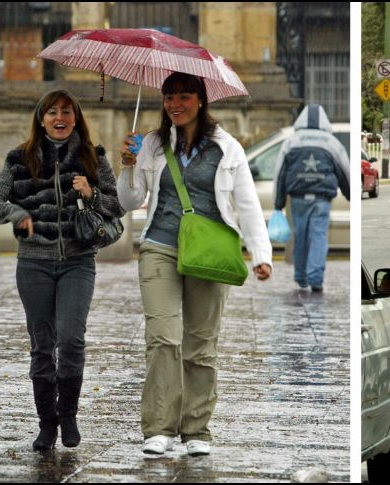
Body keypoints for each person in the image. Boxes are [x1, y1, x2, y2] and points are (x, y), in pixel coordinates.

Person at [117, 72, 273, 457]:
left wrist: (261, 254)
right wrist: (127, 165)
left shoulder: (226, 147)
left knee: (201, 346)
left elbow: (247, 202)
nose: (175, 104)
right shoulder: (152, 144)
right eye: (169, 97)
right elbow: (128, 200)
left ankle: (197, 430)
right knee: (163, 338)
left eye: (184, 97)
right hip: (160, 247)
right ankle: (159, 427)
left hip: (208, 251)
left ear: (201, 100)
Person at [0, 89, 124, 451]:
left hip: (78, 261)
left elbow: (117, 206)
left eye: (66, 112)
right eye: (52, 112)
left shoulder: (94, 158)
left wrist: (91, 192)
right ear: (41, 118)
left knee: (72, 339)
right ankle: (47, 424)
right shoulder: (20, 159)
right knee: (42, 346)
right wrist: (17, 213)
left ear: (76, 118)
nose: (59, 118)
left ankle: (69, 415)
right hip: (33, 264)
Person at [273, 104, 350, 292]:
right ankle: (315, 278)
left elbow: (279, 173)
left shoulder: (292, 141)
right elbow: (344, 171)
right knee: (318, 236)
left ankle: (300, 277)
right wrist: (351, 194)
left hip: (297, 198)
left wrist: (278, 203)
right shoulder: (331, 142)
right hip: (321, 199)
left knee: (300, 236)